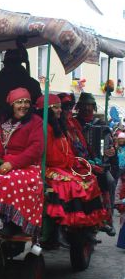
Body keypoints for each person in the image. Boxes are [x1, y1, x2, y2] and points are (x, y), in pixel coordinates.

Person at [0, 87, 44, 238]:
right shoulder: (3, 121)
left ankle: (12, 223)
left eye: (26, 102)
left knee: (13, 180)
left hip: (26, 165)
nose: (23, 105)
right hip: (3, 162)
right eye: (19, 102)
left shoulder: (36, 122)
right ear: (12, 105)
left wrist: (12, 164)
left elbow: (36, 149)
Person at [36, 94, 107, 232]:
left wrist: (76, 161)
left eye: (60, 107)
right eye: (55, 107)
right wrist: (69, 161)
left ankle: (92, 220)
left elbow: (68, 149)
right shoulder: (44, 129)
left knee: (91, 178)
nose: (60, 110)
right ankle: (74, 220)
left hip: (64, 166)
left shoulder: (59, 127)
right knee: (77, 184)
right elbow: (52, 157)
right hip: (49, 168)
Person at [75, 92, 117, 234]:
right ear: (79, 107)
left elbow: (109, 145)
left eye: (89, 105)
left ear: (93, 107)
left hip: (98, 164)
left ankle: (107, 218)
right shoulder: (73, 124)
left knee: (110, 181)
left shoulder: (101, 125)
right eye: (84, 105)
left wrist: (111, 150)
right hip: (79, 163)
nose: (87, 108)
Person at [0, 46, 42, 126]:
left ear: (5, 63)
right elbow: (40, 105)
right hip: (25, 125)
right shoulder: (33, 83)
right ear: (20, 62)